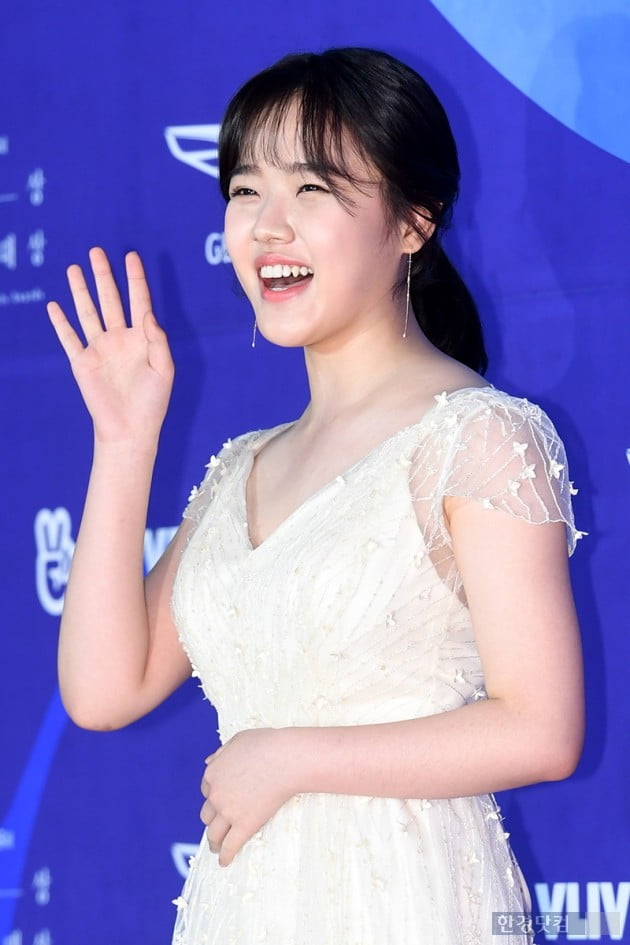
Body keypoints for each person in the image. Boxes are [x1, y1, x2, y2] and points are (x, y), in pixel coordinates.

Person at [47, 47, 585, 945]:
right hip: (245, 907)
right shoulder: (241, 466)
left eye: (312, 188)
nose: (268, 226)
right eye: (245, 189)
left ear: (413, 220)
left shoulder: (478, 436)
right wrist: (123, 440)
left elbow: (542, 728)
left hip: (408, 903)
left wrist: (290, 757)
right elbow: (106, 688)